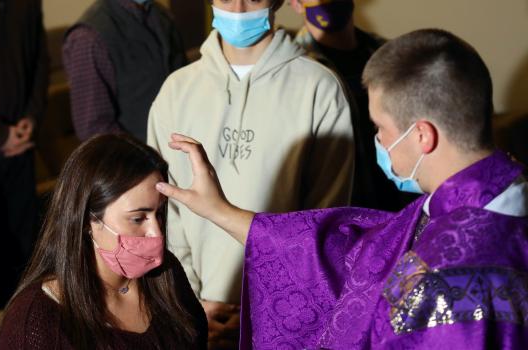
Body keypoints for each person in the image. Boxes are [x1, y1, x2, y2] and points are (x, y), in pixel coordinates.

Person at [155, 29, 528, 348]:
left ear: (422, 136)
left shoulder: (454, 276)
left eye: (380, 128)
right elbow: (354, 254)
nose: (378, 141)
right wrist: (219, 211)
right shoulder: (478, 199)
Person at [147, 0, 354, 346]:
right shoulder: (176, 90)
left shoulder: (319, 88)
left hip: (284, 312)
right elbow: (166, 209)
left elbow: (324, 220)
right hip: (196, 310)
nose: (239, 7)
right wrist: (190, 300)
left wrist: (272, 302)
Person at [0, 134, 207, 349]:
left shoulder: (166, 273)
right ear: (88, 220)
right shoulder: (37, 320)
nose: (156, 233)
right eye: (137, 218)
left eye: (159, 214)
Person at [290, 0, 417, 211]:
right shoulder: (293, 67)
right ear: (295, 3)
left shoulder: (393, 56)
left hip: (400, 214)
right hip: (335, 216)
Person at [0, 0, 48, 313]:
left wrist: (32, 117)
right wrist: (0, 135)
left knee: (26, 255)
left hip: (21, 147)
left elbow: (41, 61)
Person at [63, 0, 187, 142]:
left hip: (183, 146)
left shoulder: (160, 15)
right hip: (140, 159)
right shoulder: (88, 38)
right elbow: (96, 133)